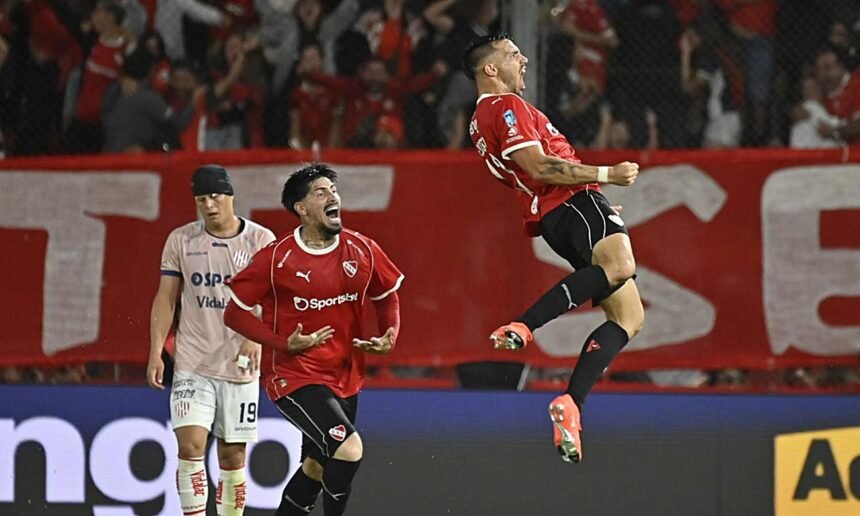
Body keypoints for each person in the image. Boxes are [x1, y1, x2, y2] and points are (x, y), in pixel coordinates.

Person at [463, 34, 643, 464]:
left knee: (629, 317)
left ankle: (571, 403)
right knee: (621, 266)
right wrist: (606, 175)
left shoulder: (478, 122)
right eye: (512, 54)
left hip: (559, 215)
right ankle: (525, 325)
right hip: (572, 202)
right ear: (490, 69)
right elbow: (539, 166)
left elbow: (525, 175)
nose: (523, 58)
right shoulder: (504, 107)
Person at [223, 164, 404, 516]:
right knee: (348, 449)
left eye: (334, 190)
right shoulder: (276, 258)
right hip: (294, 376)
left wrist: (390, 333)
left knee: (317, 466)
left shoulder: (362, 249)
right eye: (321, 193)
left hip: (345, 376)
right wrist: (282, 344)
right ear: (302, 208)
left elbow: (386, 296)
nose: (333, 197)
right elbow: (235, 314)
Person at [147, 165, 276, 516]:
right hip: (193, 362)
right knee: (190, 447)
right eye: (201, 199)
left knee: (232, 457)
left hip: (239, 364)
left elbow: (275, 298)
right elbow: (166, 298)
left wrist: (256, 336)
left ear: (230, 196)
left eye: (215, 196)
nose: (208, 205)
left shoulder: (261, 241)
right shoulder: (181, 240)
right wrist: (156, 350)